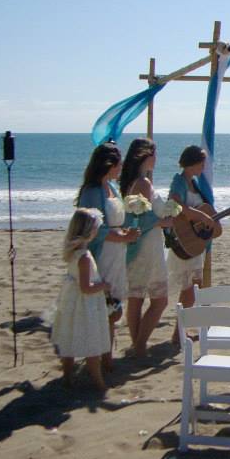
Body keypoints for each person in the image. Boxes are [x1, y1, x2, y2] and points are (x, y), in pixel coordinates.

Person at [75, 142, 139, 367]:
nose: (121, 168)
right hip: (101, 253)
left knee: (114, 305)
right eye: (118, 164)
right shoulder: (92, 191)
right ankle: (101, 356)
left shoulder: (112, 187)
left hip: (117, 252)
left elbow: (116, 219)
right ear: (108, 164)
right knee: (103, 306)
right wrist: (121, 237)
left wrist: (127, 232)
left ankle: (107, 355)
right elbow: (95, 228)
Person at [167, 146, 230, 343]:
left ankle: (180, 330)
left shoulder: (194, 182)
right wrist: (201, 215)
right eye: (201, 163)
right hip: (184, 239)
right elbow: (177, 206)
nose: (203, 167)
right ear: (192, 163)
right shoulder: (179, 181)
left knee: (194, 285)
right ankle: (178, 332)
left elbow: (203, 211)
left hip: (196, 241)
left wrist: (229, 212)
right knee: (190, 286)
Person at [50, 208, 112, 392]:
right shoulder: (84, 257)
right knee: (92, 342)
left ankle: (68, 378)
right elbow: (86, 287)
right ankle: (98, 381)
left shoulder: (74, 252)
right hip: (85, 305)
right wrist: (104, 286)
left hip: (71, 302)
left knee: (68, 339)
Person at [120, 138, 173, 356]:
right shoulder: (142, 182)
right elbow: (140, 218)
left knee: (136, 296)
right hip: (148, 245)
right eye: (155, 153)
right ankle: (140, 344)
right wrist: (162, 221)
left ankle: (137, 344)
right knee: (159, 299)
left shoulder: (133, 180)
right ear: (146, 155)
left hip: (141, 243)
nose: (157, 159)